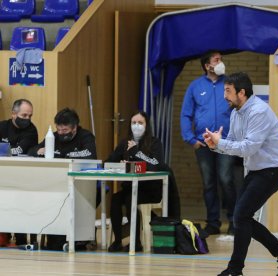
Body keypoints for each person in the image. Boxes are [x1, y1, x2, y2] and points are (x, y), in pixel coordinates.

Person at [203, 72, 278, 276]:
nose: (224, 96)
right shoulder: (237, 111)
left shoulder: (258, 111)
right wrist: (215, 146)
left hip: (273, 170)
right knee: (242, 218)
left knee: (241, 216)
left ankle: (235, 269)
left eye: (228, 91)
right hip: (257, 170)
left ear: (242, 92)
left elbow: (247, 148)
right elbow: (233, 143)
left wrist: (221, 144)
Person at [180, 50, 238, 235]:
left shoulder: (229, 84)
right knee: (208, 183)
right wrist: (191, 139)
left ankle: (234, 221)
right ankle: (213, 223)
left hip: (225, 142)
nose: (221, 62)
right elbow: (186, 114)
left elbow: (240, 109)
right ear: (207, 65)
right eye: (217, 60)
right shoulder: (195, 86)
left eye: (221, 58)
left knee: (226, 179)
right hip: (203, 143)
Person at [106, 110, 181, 252]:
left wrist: (135, 152)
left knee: (130, 199)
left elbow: (156, 164)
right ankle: (117, 240)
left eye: (140, 123)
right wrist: (120, 162)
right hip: (131, 187)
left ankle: (136, 242)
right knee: (116, 199)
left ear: (146, 125)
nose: (136, 126)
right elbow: (109, 161)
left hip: (151, 190)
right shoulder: (125, 143)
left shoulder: (154, 143)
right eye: (134, 123)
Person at [28, 107, 97, 250]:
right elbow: (32, 150)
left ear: (75, 128)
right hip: (58, 184)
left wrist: (64, 155)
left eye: (64, 131)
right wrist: (38, 151)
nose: (60, 133)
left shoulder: (86, 136)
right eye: (58, 130)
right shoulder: (52, 137)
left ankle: (80, 238)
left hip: (83, 184)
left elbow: (90, 155)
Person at [0, 99, 38, 246]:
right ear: (13, 114)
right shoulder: (2, 126)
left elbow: (19, 151)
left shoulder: (31, 130)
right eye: (24, 115)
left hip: (22, 176)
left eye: (30, 116)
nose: (27, 119)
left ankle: (21, 237)